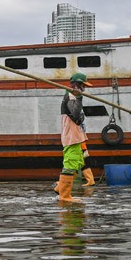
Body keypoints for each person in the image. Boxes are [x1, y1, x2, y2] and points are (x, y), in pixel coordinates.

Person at [54, 72, 92, 202]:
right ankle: (64, 196)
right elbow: (75, 115)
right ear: (77, 85)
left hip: (76, 135)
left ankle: (60, 187)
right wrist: (80, 98)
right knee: (70, 164)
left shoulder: (73, 96)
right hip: (71, 136)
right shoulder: (70, 95)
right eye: (83, 86)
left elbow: (79, 117)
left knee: (78, 163)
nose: (84, 89)